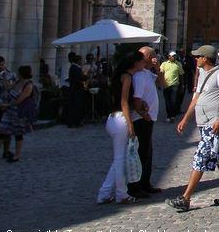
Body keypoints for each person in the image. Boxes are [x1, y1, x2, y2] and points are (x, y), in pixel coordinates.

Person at [168, 45, 219, 212]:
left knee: (200, 158)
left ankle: (185, 198)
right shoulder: (202, 74)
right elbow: (196, 98)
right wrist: (185, 119)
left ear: (206, 58)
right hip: (203, 124)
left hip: (213, 125)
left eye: (198, 56)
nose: (196, 59)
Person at [97, 52, 144, 203]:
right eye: (142, 62)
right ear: (135, 63)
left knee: (119, 158)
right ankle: (121, 194)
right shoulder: (127, 77)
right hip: (120, 119)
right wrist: (130, 124)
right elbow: (124, 102)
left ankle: (104, 193)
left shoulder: (119, 76)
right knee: (119, 159)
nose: (143, 65)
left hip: (112, 119)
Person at [127, 46, 164, 198]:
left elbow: (162, 84)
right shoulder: (139, 76)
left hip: (148, 119)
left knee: (147, 152)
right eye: (153, 56)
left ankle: (145, 183)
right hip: (142, 119)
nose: (155, 58)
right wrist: (144, 114)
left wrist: (158, 68)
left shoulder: (147, 73)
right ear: (147, 57)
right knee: (141, 153)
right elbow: (137, 99)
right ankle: (136, 186)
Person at [0, 65, 38, 163]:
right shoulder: (18, 81)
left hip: (19, 112)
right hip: (9, 111)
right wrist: (4, 75)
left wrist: (6, 105)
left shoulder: (29, 85)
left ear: (21, 73)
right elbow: (7, 87)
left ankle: (16, 156)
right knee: (1, 131)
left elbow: (20, 100)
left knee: (18, 134)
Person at [160, 51, 184, 123]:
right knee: (167, 101)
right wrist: (160, 83)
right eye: (172, 56)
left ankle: (172, 116)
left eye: (174, 56)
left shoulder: (178, 64)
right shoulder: (164, 64)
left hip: (174, 85)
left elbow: (181, 74)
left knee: (173, 101)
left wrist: (182, 85)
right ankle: (168, 115)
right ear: (169, 56)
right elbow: (161, 73)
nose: (173, 57)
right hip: (166, 85)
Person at [63, 52, 86, 128]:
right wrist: (86, 76)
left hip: (75, 89)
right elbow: (80, 77)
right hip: (76, 90)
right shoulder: (75, 68)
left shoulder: (74, 67)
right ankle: (75, 122)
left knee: (75, 106)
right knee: (75, 106)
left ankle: (75, 121)